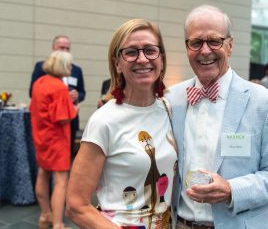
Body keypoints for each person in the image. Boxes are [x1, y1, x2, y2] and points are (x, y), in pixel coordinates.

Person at [166, 5, 268, 228]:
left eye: (214, 41)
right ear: (186, 47)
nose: (205, 51)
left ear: (230, 45)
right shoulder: (172, 98)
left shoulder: (264, 102)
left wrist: (231, 190)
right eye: (196, 43)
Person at [66, 19, 177, 228]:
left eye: (150, 50)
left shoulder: (168, 110)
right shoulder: (104, 121)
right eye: (131, 52)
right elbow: (76, 206)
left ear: (161, 58)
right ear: (117, 63)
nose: (142, 59)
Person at [30, 51, 77, 229]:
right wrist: (76, 108)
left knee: (43, 174)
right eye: (69, 65)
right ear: (62, 66)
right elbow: (63, 118)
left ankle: (44, 216)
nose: (71, 68)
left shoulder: (39, 83)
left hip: (41, 137)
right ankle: (57, 224)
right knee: (61, 181)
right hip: (57, 139)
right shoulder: (58, 86)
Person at [29, 35, 86, 158]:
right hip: (50, 122)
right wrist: (66, 102)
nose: (64, 51)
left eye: (67, 48)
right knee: (56, 163)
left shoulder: (76, 69)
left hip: (70, 121)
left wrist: (77, 96)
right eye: (61, 48)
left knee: (67, 155)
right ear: (53, 48)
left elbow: (82, 93)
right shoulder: (42, 67)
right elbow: (33, 93)